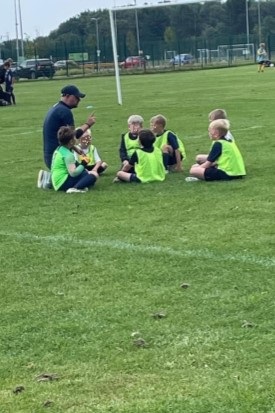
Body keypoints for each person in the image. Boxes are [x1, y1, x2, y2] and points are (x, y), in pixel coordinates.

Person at [38, 84, 96, 189]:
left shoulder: (55, 108)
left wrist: (76, 149)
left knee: (82, 172)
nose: (79, 100)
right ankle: (54, 181)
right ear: (67, 96)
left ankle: (50, 179)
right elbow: (74, 135)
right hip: (58, 157)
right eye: (76, 97)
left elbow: (66, 139)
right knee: (88, 175)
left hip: (52, 155)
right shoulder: (65, 112)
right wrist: (88, 124)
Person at [51, 126, 100, 193]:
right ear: (71, 141)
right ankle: (74, 188)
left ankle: (80, 185)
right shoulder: (68, 155)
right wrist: (83, 163)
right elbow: (73, 173)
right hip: (62, 183)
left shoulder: (60, 149)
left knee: (86, 174)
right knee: (93, 176)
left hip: (57, 181)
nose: (76, 139)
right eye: (74, 137)